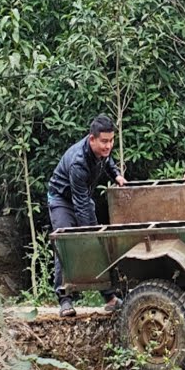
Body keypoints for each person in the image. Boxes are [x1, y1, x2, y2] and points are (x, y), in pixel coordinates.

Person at [47, 115, 128, 317]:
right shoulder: (78, 162)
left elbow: (107, 161)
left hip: (81, 198)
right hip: (61, 200)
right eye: (104, 141)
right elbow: (81, 204)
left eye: (111, 141)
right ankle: (65, 299)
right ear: (92, 139)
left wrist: (117, 175)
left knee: (98, 245)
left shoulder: (102, 152)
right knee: (66, 245)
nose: (108, 146)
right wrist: (90, 234)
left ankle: (109, 297)